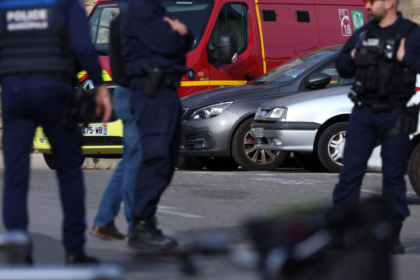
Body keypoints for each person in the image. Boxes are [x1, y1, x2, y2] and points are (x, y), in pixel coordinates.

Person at [0, 0, 112, 263]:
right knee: (69, 173)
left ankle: (18, 251)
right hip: (54, 91)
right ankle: (74, 251)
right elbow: (83, 48)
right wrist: (100, 86)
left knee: (15, 175)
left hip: (15, 92)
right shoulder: (65, 3)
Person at [331, 0, 420, 254]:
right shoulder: (363, 33)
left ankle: (391, 234)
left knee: (393, 177)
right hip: (363, 112)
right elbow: (341, 65)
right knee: (350, 174)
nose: (367, 6)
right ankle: (341, 233)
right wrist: (352, 56)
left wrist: (405, 56)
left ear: (389, 3)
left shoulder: (412, 33)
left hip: (395, 113)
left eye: (372, 1)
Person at [121, 0, 193, 250]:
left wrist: (179, 32)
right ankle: (141, 226)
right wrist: (177, 31)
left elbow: (186, 39)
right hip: (152, 89)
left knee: (166, 157)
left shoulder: (155, 9)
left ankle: (146, 222)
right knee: (156, 156)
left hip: (166, 89)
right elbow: (170, 42)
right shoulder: (141, 7)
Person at [91, 12, 142, 240]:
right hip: (138, 93)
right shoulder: (141, 20)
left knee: (131, 160)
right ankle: (136, 227)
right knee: (136, 161)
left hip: (124, 91)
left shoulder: (118, 19)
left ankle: (103, 221)